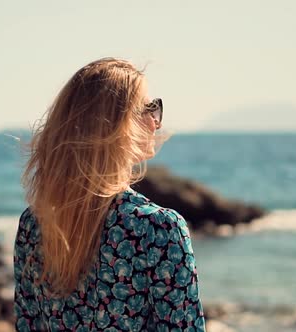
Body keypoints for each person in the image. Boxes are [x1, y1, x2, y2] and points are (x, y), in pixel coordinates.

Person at [14, 58, 205, 331]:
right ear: (117, 126)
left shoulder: (35, 224)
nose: (156, 122)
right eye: (150, 109)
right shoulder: (158, 229)